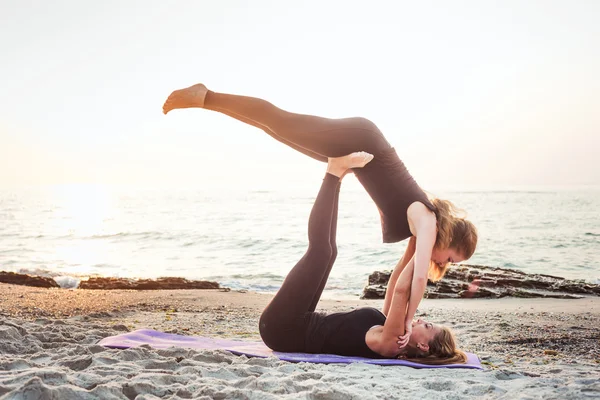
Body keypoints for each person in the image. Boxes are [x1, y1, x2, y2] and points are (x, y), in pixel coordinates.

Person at [162, 83, 478, 342]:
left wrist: (386, 325)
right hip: (362, 138)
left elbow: (398, 276)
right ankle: (206, 97)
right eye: (451, 258)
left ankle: (207, 100)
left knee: (278, 129)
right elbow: (417, 277)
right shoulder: (428, 220)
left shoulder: (420, 225)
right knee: (280, 121)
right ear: (452, 237)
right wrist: (408, 322)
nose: (445, 264)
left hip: (360, 142)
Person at [258, 151, 465, 362]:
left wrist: (426, 247)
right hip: (296, 322)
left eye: (427, 326)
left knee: (320, 252)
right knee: (329, 252)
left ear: (423, 345)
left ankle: (333, 172)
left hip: (282, 329)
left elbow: (403, 291)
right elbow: (395, 284)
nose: (421, 320)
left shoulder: (393, 344)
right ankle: (336, 176)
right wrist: (415, 242)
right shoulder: (392, 329)